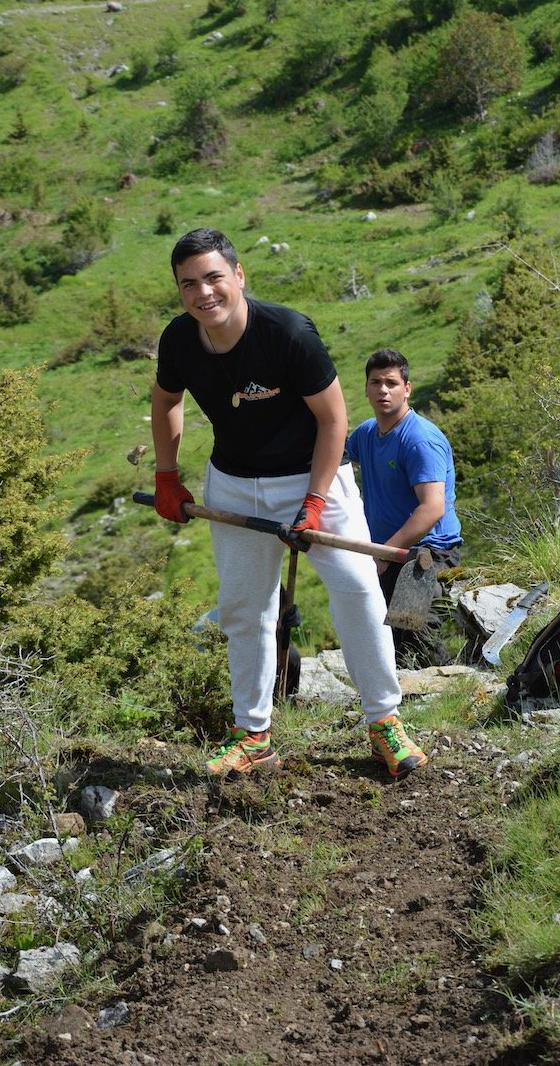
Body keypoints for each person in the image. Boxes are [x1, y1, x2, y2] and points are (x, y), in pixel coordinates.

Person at [150, 229, 427, 781]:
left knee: (357, 591)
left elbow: (334, 420)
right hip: (233, 484)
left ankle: (384, 724)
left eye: (213, 278)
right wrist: (166, 475)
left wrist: (316, 500)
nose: (204, 293)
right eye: (189, 284)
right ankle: (252, 735)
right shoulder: (180, 340)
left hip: (315, 474)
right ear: (180, 291)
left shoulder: (288, 333)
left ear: (239, 275)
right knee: (245, 609)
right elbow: (166, 401)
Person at [345, 349, 462, 668]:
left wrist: (383, 554)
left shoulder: (420, 440)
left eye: (392, 383)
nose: (383, 390)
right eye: (376, 382)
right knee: (381, 640)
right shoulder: (367, 433)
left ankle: (442, 697)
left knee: (414, 638)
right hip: (384, 552)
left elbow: (433, 508)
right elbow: (334, 462)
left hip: (428, 553)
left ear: (407, 388)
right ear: (366, 388)